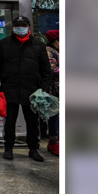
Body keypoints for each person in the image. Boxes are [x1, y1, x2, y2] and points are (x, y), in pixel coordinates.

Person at [0, 15, 53, 162]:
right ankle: (8, 148)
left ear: (29, 27)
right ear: (13, 27)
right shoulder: (3, 44)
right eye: (18, 25)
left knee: (32, 121)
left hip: (32, 91)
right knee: (9, 121)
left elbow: (46, 70)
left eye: (23, 25)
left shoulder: (38, 45)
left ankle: (33, 149)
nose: (20, 27)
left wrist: (45, 88)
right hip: (9, 88)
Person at [45, 29, 60, 157]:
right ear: (56, 41)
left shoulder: (59, 51)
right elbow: (53, 69)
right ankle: (54, 142)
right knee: (55, 115)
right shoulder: (49, 51)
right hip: (54, 89)